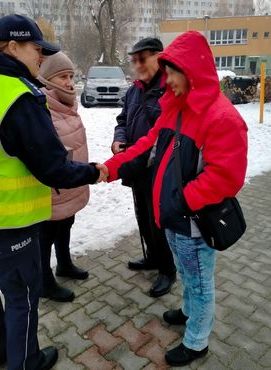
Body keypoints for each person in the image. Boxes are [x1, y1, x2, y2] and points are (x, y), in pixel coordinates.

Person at [98, 31, 248, 366]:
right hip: (173, 218)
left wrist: (180, 201)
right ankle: (188, 312)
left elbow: (226, 177)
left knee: (199, 282)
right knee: (185, 271)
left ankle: (197, 342)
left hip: (193, 221)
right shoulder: (176, 108)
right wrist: (109, 168)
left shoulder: (222, 118)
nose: (166, 82)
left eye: (171, 74)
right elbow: (143, 145)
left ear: (190, 70)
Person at [0, 14, 104, 370]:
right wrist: (95, 172)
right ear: (13, 47)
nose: (41, 58)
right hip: (8, 223)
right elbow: (52, 167)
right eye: (36, 49)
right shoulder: (19, 97)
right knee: (22, 299)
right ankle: (26, 362)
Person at [111, 37, 176, 297]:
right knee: (142, 216)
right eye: (134, 59)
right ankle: (151, 256)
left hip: (159, 169)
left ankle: (167, 269)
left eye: (143, 58)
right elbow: (123, 119)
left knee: (158, 221)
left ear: (160, 57)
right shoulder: (134, 90)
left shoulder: (170, 87)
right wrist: (119, 138)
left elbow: (168, 134)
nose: (137, 64)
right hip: (135, 166)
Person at [37, 52, 90, 302]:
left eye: (70, 76)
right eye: (62, 77)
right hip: (52, 190)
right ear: (47, 81)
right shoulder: (42, 110)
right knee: (45, 236)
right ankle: (44, 281)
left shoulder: (67, 105)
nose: (69, 82)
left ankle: (65, 264)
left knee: (66, 224)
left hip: (70, 183)